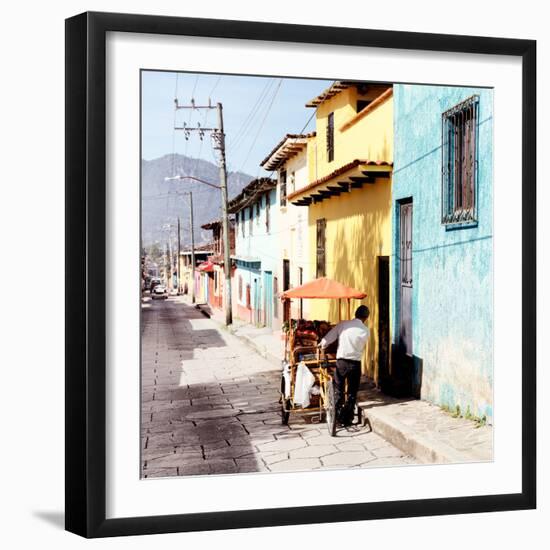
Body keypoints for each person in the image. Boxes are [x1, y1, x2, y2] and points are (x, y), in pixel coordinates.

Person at [319, 305, 370, 426]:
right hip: (355, 363)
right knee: (352, 392)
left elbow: (329, 338)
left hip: (341, 362)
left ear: (355, 314)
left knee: (339, 389)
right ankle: (347, 417)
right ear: (366, 318)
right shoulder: (365, 330)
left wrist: (322, 345)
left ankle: (335, 414)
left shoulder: (343, 324)